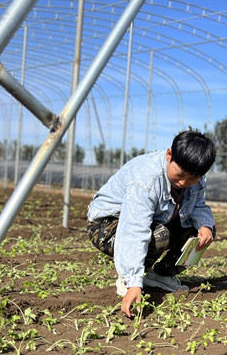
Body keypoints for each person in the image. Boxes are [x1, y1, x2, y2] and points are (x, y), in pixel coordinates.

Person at [86, 130, 217, 317]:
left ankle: (161, 275)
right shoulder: (145, 179)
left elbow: (198, 206)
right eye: (180, 174)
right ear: (169, 154)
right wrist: (133, 282)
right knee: (159, 235)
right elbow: (134, 228)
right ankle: (128, 281)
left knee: (204, 231)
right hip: (107, 226)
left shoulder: (195, 175)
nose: (183, 182)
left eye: (192, 178)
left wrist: (205, 226)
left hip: (155, 221)